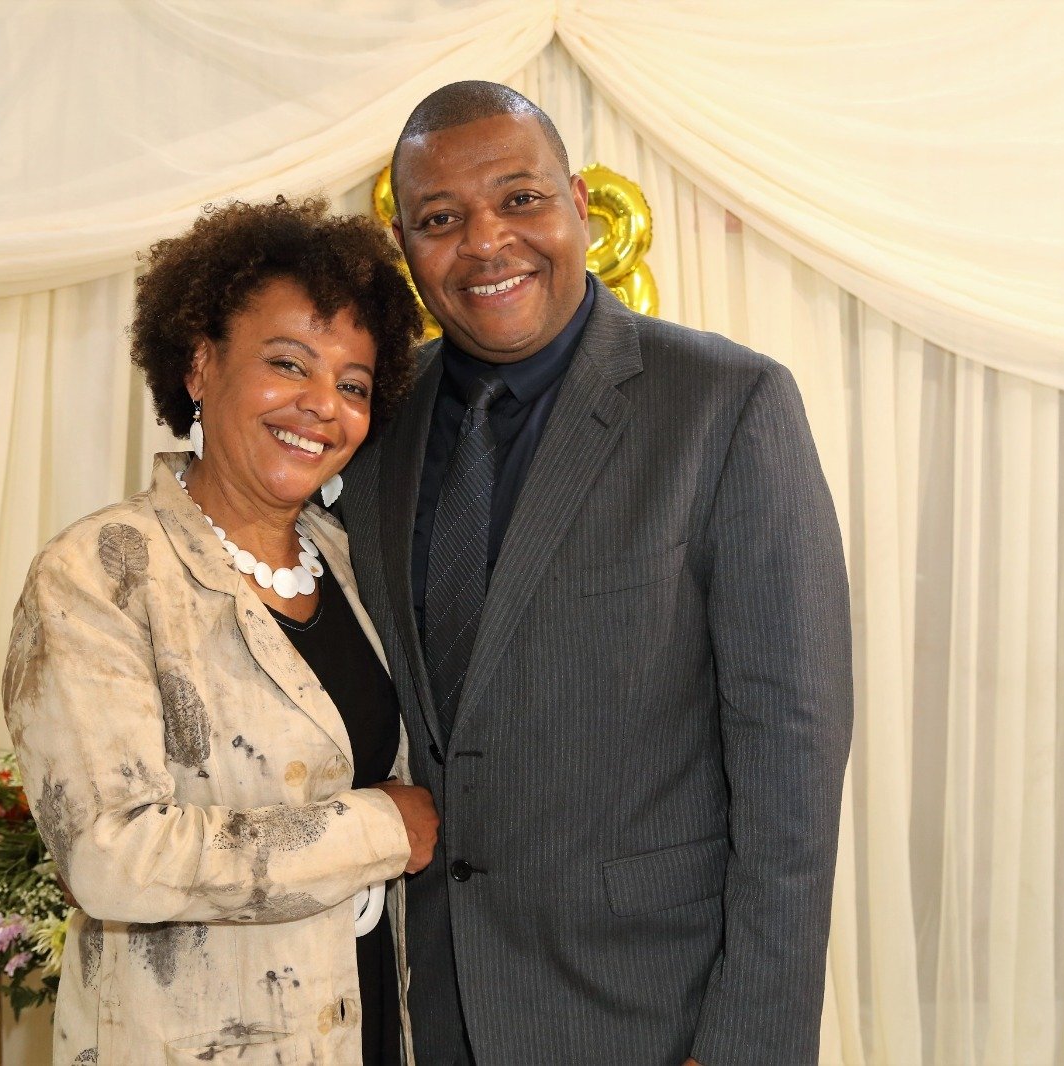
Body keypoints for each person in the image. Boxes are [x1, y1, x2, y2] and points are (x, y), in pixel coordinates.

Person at [337, 83, 854, 1065]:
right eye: (440, 219)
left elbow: (793, 757)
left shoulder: (726, 405)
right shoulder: (371, 426)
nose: (486, 242)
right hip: (423, 1007)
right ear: (405, 245)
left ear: (578, 204)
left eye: (519, 199)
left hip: (649, 1016)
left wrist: (746, 1045)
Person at [2, 196, 439, 1065]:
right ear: (200, 365)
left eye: (353, 385)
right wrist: (379, 830)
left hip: (366, 1030)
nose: (322, 405)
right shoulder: (100, 572)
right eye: (288, 364)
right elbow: (112, 856)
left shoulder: (354, 563)